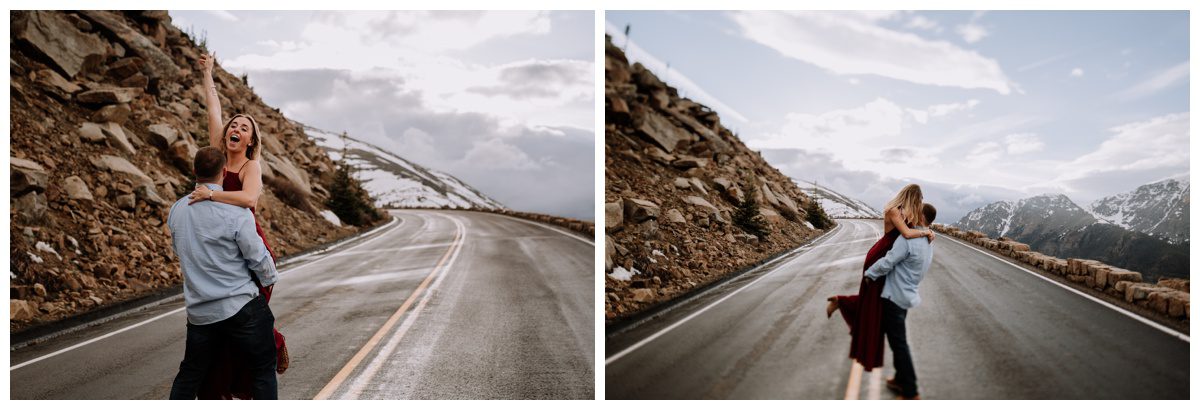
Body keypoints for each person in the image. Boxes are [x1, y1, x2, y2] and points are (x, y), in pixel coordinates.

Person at [188, 53, 287, 399]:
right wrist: (208, 73)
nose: (236, 129)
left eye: (244, 128)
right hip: (219, 241)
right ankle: (221, 391)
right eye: (234, 125)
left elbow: (249, 199)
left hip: (247, 242)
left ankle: (274, 342)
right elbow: (213, 107)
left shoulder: (250, 167)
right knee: (222, 323)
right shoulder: (218, 151)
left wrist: (212, 194)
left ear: (250, 141)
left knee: (247, 313)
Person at [168, 147, 278, 400]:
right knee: (262, 369)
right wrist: (270, 279)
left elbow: (179, 249)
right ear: (224, 172)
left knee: (190, 374)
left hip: (200, 311)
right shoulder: (236, 211)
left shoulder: (177, 210)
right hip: (240, 305)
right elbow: (257, 257)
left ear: (194, 171)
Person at [826, 184, 933, 373]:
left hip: (890, 258)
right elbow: (907, 233)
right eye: (919, 200)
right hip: (880, 256)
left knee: (875, 302)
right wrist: (926, 233)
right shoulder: (894, 211)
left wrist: (929, 231)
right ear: (912, 197)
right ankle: (841, 302)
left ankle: (840, 301)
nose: (919, 204)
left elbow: (919, 226)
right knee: (873, 303)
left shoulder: (908, 214)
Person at [862, 203, 937, 400]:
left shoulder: (908, 239)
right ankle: (899, 379)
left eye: (915, 211)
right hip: (907, 294)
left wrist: (869, 273)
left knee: (899, 343)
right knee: (898, 340)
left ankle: (911, 392)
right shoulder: (928, 239)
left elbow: (888, 261)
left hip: (894, 295)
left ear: (921, 217)